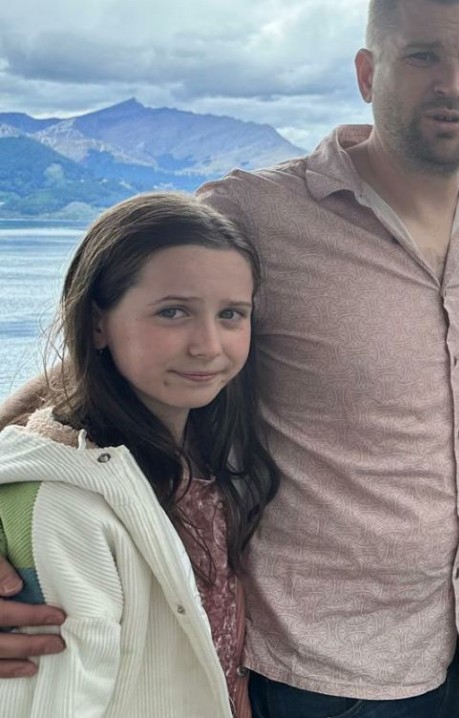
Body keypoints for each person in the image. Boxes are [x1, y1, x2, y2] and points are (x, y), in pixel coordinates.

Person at [0, 0, 459, 717]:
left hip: (456, 652)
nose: (453, 82)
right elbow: (106, 344)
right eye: (422, 56)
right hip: (305, 668)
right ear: (367, 72)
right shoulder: (257, 213)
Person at [0, 192, 279, 717]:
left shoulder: (209, 455)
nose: (208, 345)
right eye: (173, 312)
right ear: (98, 322)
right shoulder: (64, 504)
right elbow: (55, 699)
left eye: (232, 314)